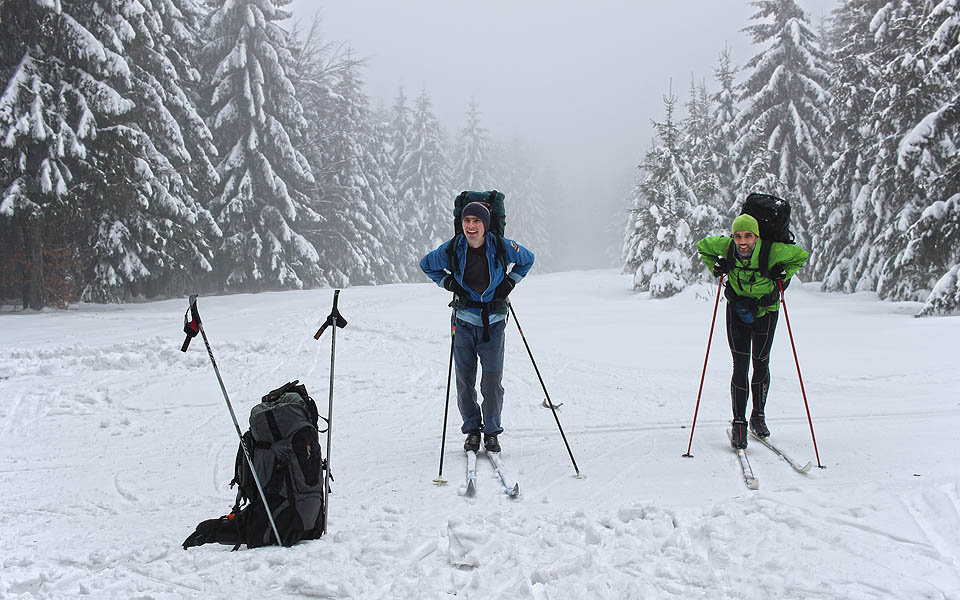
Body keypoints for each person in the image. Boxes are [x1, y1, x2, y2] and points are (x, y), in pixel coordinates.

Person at [420, 201, 535, 454]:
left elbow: (527, 259)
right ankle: (472, 430)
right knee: (465, 381)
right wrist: (448, 282)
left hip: (493, 324)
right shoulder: (453, 248)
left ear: (485, 224)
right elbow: (426, 264)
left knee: (492, 383)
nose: (471, 226)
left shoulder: (501, 246)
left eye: (476, 221)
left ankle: (491, 432)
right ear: (461, 224)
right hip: (462, 323)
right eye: (466, 221)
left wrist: (510, 282)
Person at [696, 213, 809, 449]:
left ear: (757, 236)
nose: (743, 241)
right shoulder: (726, 247)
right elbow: (703, 246)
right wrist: (717, 268)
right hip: (737, 311)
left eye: (748, 236)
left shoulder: (773, 251)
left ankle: (758, 416)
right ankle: (739, 423)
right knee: (740, 365)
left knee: (761, 362)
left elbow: (800, 257)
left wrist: (783, 275)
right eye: (738, 236)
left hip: (766, 311)